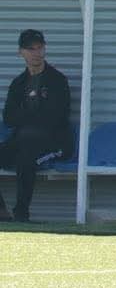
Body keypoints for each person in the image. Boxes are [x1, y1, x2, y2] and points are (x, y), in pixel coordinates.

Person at [1, 29, 71, 222]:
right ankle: (2, 211)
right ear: (21, 53)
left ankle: (21, 213)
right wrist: (32, 112)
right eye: (31, 49)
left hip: (53, 142)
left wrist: (25, 114)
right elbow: (8, 117)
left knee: (26, 157)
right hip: (22, 138)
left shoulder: (57, 80)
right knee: (22, 147)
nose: (36, 54)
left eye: (40, 48)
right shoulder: (19, 83)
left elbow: (55, 117)